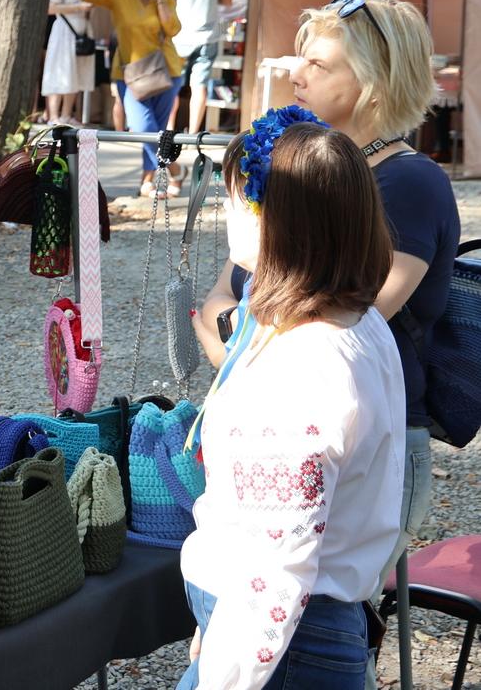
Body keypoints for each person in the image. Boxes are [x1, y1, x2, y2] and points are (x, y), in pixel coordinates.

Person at [198, 0, 459, 604]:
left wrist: (240, 339)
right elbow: (225, 293)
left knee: (318, 628)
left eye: (319, 65)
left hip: (362, 448)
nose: (296, 76)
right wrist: (244, 336)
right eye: (301, 60)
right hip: (284, 429)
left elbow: (347, 322)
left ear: (373, 81)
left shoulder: (408, 182)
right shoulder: (310, 171)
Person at [179, 118, 404, 690]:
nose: (227, 214)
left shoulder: (305, 364)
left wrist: (223, 669)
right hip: (283, 634)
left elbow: (275, 570)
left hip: (284, 647)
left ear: (271, 220)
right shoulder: (355, 320)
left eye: (234, 199)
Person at [54, 0, 183, 196]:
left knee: (157, 129)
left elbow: (172, 29)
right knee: (141, 127)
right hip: (129, 75)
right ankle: (174, 168)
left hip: (166, 72)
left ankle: (147, 181)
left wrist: (160, 0)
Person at [161, 0, 233, 137]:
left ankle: (168, 130)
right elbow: (227, 1)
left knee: (173, 85)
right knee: (199, 86)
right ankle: (193, 134)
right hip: (208, 35)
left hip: (180, 37)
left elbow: (165, 1)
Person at [42, 0, 95, 125]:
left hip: (79, 32)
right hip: (64, 32)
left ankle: (66, 115)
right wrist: (79, 7)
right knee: (59, 72)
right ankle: (54, 115)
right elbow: (50, 8)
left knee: (76, 74)